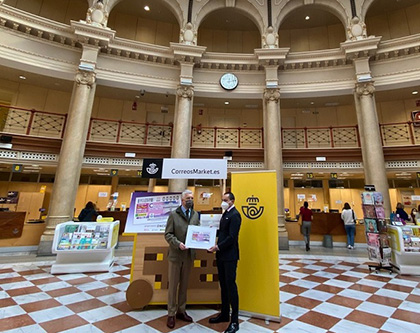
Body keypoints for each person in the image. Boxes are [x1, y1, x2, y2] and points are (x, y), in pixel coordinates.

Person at [164, 190, 200, 329]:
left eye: (192, 198)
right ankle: (171, 314)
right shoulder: (174, 214)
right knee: (173, 286)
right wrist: (177, 243)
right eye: (187, 198)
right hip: (176, 255)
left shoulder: (195, 214)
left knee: (184, 285)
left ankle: (181, 311)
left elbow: (197, 232)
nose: (190, 200)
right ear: (182, 200)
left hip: (189, 255)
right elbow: (168, 234)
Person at [208, 192, 241, 333]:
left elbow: (232, 237)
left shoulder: (235, 215)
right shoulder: (225, 213)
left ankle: (234, 321)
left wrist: (217, 246)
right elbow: (222, 232)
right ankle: (224, 314)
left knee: (231, 286)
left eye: (225, 200)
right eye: (222, 200)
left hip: (229, 256)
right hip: (221, 256)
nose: (223, 202)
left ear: (232, 201)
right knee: (223, 285)